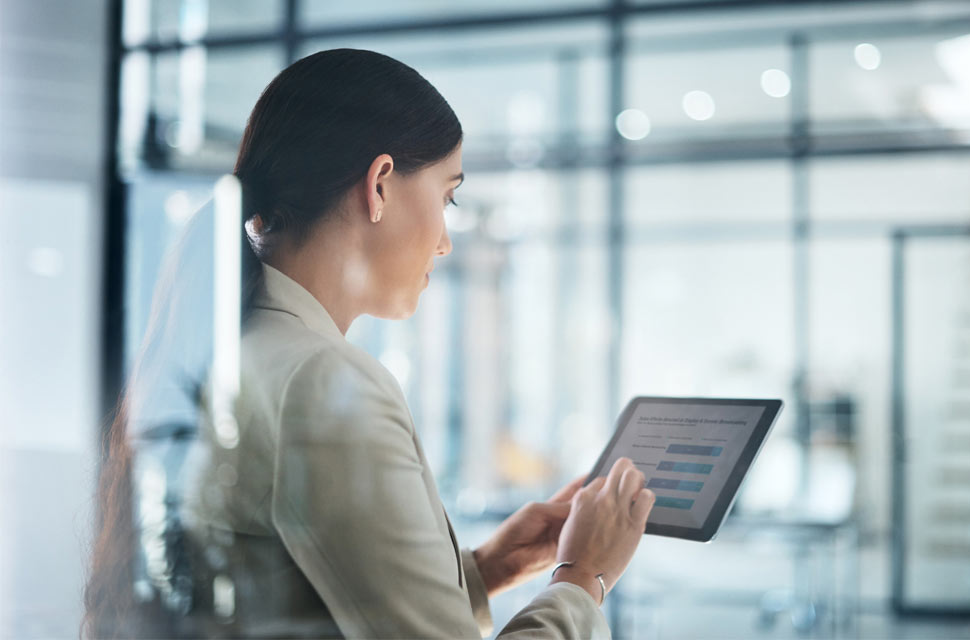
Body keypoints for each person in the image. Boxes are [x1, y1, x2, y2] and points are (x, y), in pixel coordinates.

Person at [84, 48, 654, 639]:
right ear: (380, 185)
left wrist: (493, 568)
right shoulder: (322, 378)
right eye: (447, 196)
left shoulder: (241, 348)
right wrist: (583, 576)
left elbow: (291, 597)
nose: (445, 242)